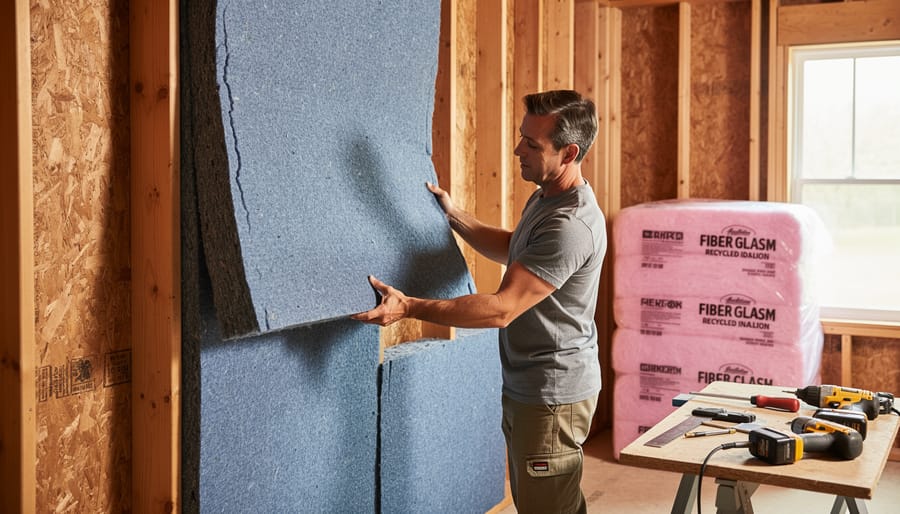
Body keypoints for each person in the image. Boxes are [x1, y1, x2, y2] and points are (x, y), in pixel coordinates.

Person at [353, 89, 606, 514]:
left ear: (569, 153)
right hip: (535, 388)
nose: (517, 149)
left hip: (552, 394)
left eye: (532, 143)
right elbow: (514, 246)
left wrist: (410, 307)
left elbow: (503, 309)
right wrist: (454, 215)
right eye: (522, 136)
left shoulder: (571, 225)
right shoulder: (548, 195)